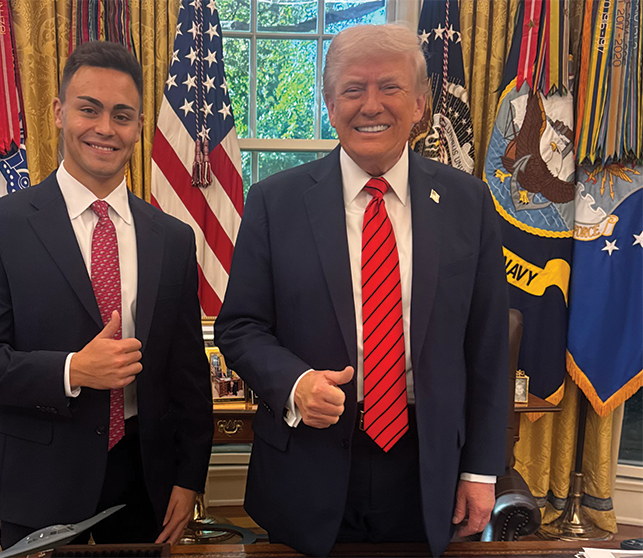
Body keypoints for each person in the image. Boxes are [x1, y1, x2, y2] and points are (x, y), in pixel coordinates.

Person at [214, 24, 509, 557]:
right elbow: (240, 327)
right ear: (330, 104)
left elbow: (486, 349)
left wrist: (482, 470)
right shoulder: (273, 202)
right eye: (352, 89)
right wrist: (295, 383)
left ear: (420, 103)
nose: (370, 105)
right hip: (306, 463)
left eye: (389, 87)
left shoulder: (470, 204)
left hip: (428, 468)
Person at [0, 41, 213, 549]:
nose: (105, 128)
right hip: (38, 478)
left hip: (146, 480)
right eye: (88, 109)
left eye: (122, 115)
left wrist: (190, 475)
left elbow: (188, 372)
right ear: (58, 112)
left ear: (138, 126)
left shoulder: (174, 238)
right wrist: (73, 370)